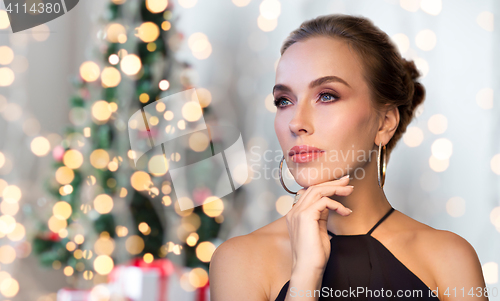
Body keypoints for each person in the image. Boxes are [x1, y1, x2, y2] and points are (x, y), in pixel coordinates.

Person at [209, 14, 487, 301]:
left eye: (327, 96)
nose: (295, 122)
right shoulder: (239, 260)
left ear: (384, 123)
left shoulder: (450, 257)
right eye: (284, 101)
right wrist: (305, 274)